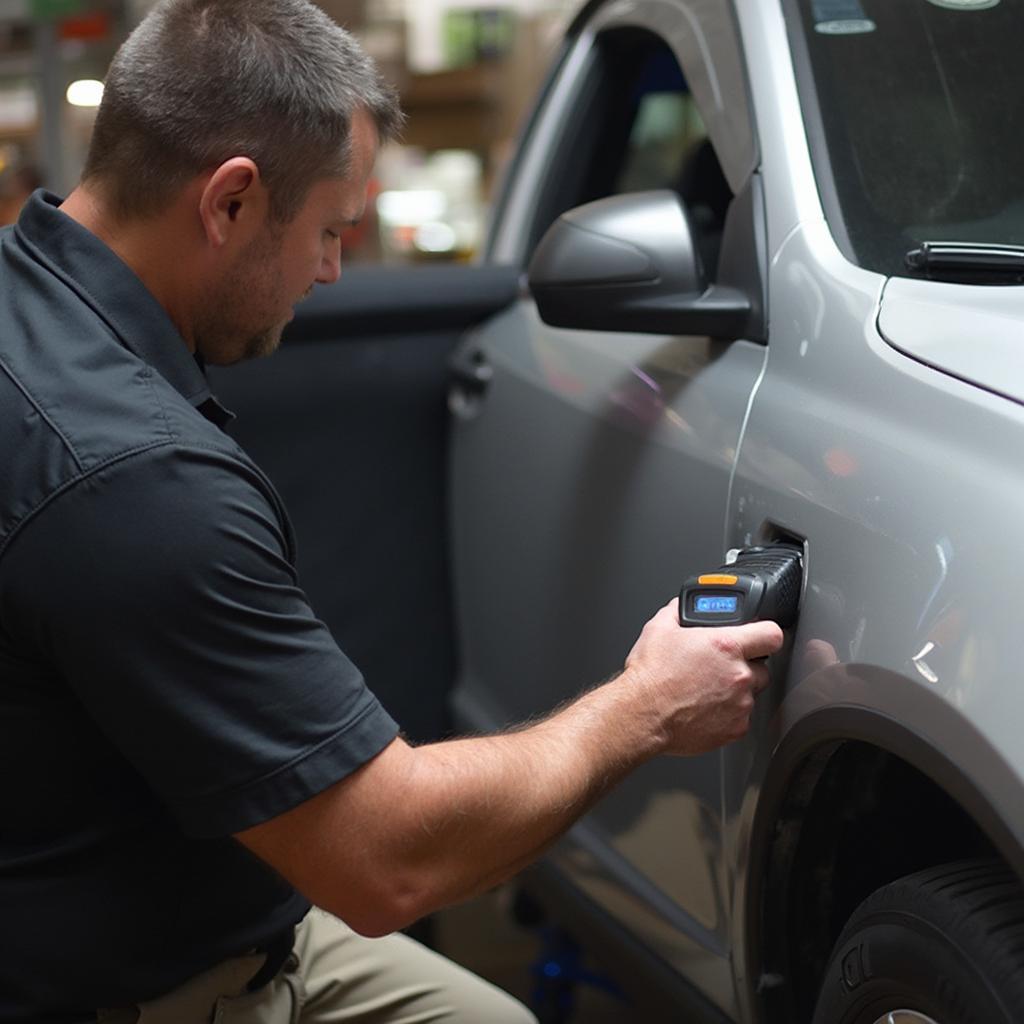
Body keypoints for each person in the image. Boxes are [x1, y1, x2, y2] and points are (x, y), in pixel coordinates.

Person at [0, 0, 783, 1021]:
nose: (331, 271)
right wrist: (645, 704)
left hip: (179, 896)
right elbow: (388, 864)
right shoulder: (133, 482)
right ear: (230, 201)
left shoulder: (34, 303)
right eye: (329, 229)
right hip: (143, 985)